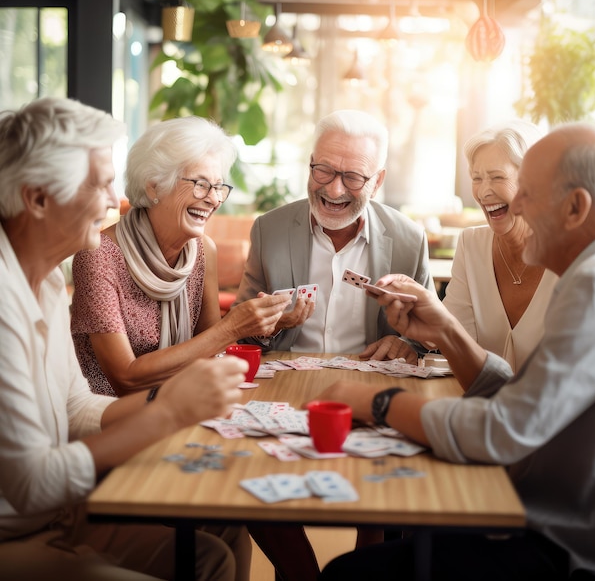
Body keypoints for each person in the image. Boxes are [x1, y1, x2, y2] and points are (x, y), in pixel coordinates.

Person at [313, 121, 595, 579]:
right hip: (534, 512)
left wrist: (377, 402)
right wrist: (445, 328)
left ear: (576, 207)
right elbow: (522, 401)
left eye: (528, 193)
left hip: (565, 548)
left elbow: (503, 429)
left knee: (347, 574)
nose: (511, 204)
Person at [0, 97, 253, 580]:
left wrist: (171, 397)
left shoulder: (49, 281)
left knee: (215, 551)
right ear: (37, 199)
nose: (114, 198)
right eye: (98, 183)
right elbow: (32, 483)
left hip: (60, 512)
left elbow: (76, 407)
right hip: (16, 533)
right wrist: (170, 412)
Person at [70, 115, 291, 397]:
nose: (213, 199)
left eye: (218, 187)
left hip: (182, 401)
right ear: (154, 186)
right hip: (110, 417)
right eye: (200, 184)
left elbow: (209, 348)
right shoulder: (99, 256)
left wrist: (268, 322)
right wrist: (231, 327)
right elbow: (124, 378)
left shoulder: (202, 252)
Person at [234, 109, 435, 364]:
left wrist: (403, 343)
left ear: (377, 182)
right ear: (310, 164)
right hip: (287, 374)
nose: (334, 189)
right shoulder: (269, 229)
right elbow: (239, 330)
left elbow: (431, 332)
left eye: (353, 177)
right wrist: (270, 326)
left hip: (370, 378)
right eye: (324, 170)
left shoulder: (409, 240)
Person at [443, 120, 559, 371]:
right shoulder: (471, 244)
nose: (484, 192)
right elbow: (454, 342)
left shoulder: (570, 254)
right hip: (485, 403)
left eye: (497, 177)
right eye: (476, 178)